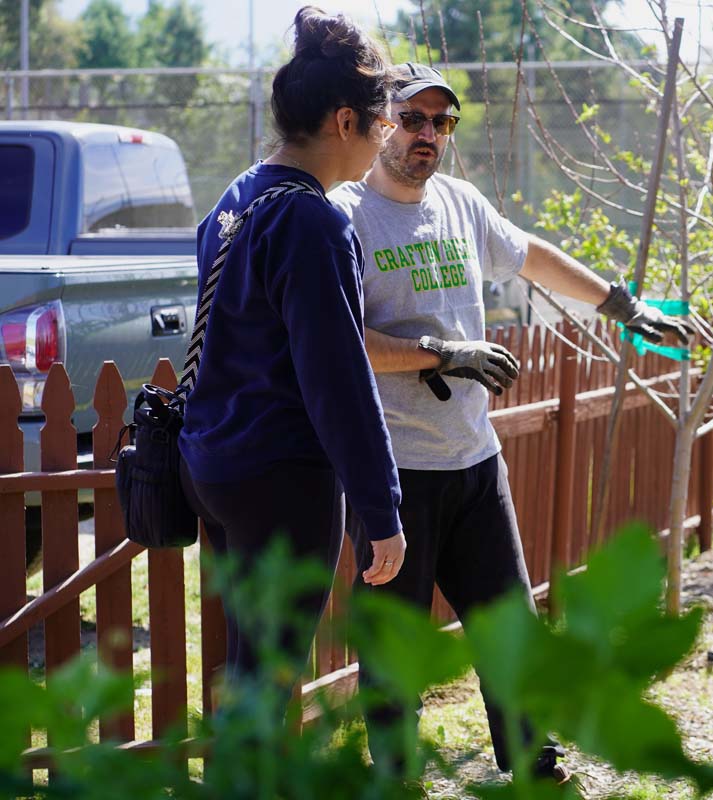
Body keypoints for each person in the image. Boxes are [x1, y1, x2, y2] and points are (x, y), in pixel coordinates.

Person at [329, 62, 690, 782]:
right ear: (378, 123)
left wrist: (624, 307)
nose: (428, 134)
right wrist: (441, 353)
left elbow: (536, 260)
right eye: (412, 118)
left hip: (473, 461)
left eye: (443, 122)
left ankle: (533, 764)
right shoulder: (344, 216)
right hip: (391, 475)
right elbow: (338, 341)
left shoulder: (460, 204)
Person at [179, 7, 407, 697]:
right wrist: (382, 510)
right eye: (384, 122)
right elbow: (337, 379)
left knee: (250, 666)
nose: (386, 138)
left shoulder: (238, 195)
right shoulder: (311, 219)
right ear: (345, 122)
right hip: (281, 479)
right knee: (268, 678)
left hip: (216, 468)